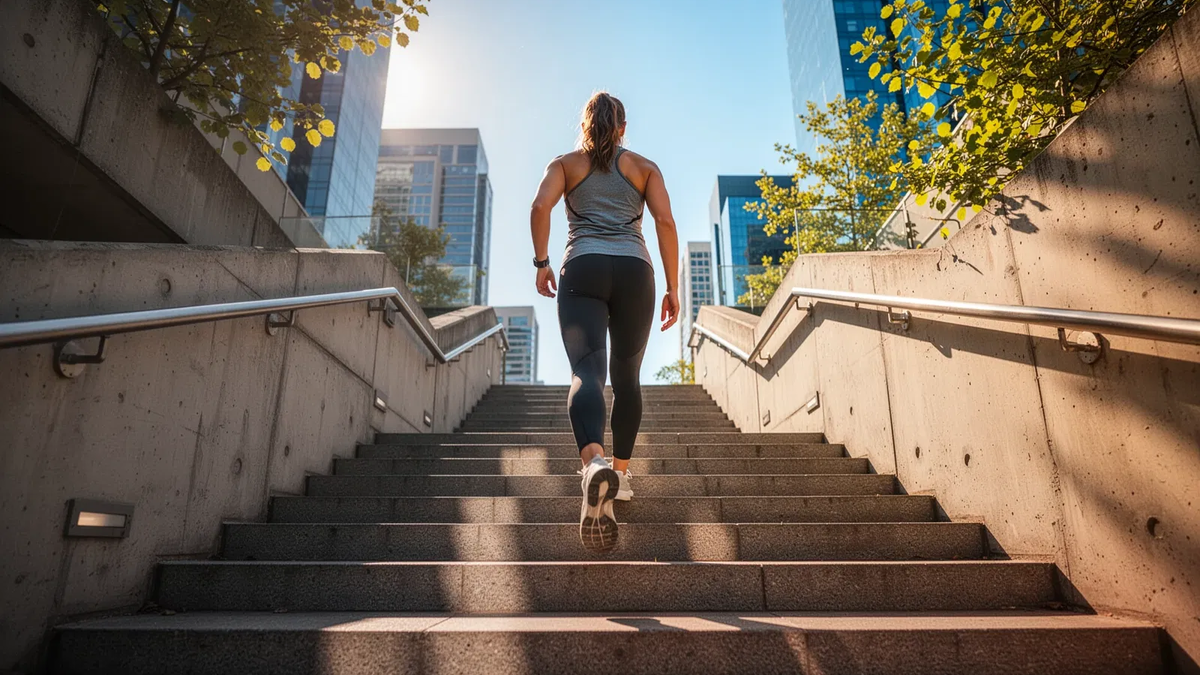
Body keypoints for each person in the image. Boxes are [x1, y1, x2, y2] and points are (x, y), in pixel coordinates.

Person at [529, 91, 680, 553]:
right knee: (627, 378)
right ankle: (621, 475)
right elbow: (665, 222)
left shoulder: (565, 165)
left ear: (585, 124)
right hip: (636, 272)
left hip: (583, 269)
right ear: (622, 127)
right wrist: (673, 287)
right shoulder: (644, 167)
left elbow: (539, 208)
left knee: (587, 370)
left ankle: (593, 463)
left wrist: (542, 262)